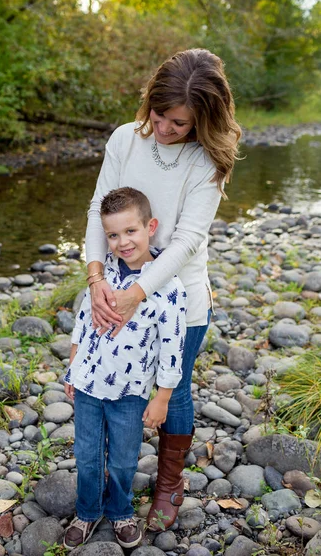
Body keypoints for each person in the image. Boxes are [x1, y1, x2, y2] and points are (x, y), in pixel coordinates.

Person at [84, 48, 241, 530]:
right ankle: (110, 475)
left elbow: (188, 242)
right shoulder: (125, 140)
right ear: (149, 100)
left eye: (181, 123)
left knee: (173, 389)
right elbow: (97, 210)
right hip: (111, 289)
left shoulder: (206, 159)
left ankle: (170, 483)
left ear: (203, 120)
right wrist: (95, 279)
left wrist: (139, 294)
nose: (168, 129)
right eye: (161, 115)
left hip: (180, 298)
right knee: (113, 382)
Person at [63, 187, 186, 550]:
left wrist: (162, 398)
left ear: (151, 226)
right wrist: (74, 366)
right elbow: (83, 322)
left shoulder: (168, 287)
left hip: (128, 392)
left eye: (130, 231)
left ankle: (119, 510)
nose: (122, 242)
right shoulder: (102, 278)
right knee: (86, 455)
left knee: (121, 459)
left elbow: (172, 348)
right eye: (113, 235)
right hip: (87, 385)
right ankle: (87, 510)